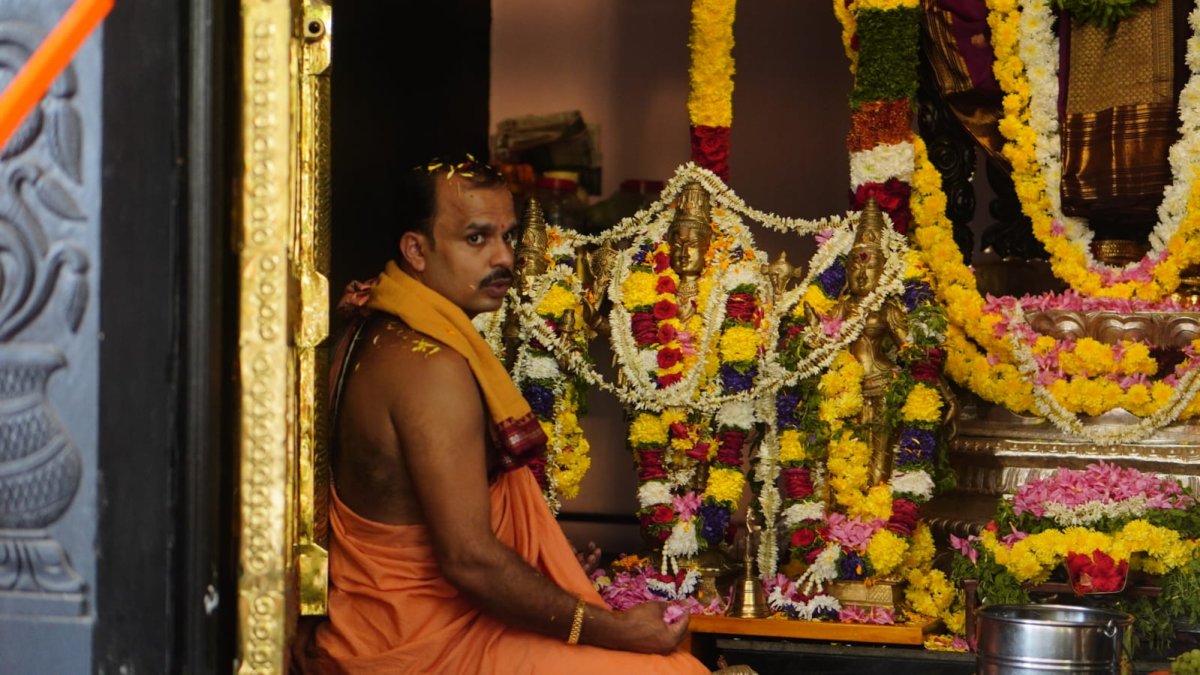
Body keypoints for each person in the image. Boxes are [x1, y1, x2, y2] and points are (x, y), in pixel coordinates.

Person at [291, 155, 711, 674]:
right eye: (476, 238)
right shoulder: (430, 366)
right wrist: (616, 630)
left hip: (402, 623)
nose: (503, 257)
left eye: (508, 237)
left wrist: (539, 575)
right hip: (420, 645)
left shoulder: (374, 324)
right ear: (416, 250)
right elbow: (470, 562)